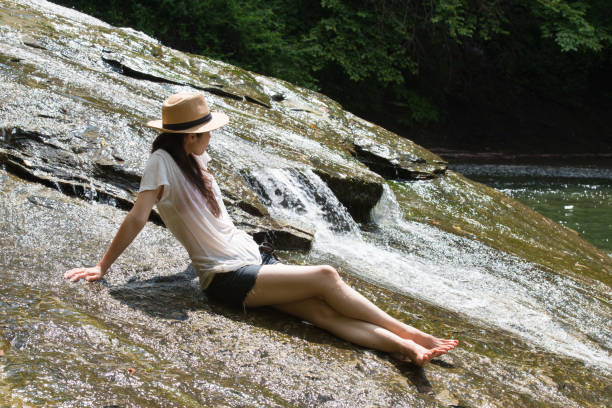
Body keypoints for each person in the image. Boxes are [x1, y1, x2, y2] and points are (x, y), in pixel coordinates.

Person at [64, 92, 458, 366]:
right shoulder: (162, 164)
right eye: (207, 130)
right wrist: (103, 267)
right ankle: (411, 332)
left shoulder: (195, 159)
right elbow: (137, 216)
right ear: (190, 135)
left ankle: (405, 348)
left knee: (321, 314)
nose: (211, 135)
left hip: (249, 260)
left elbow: (207, 222)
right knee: (327, 275)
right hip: (227, 277)